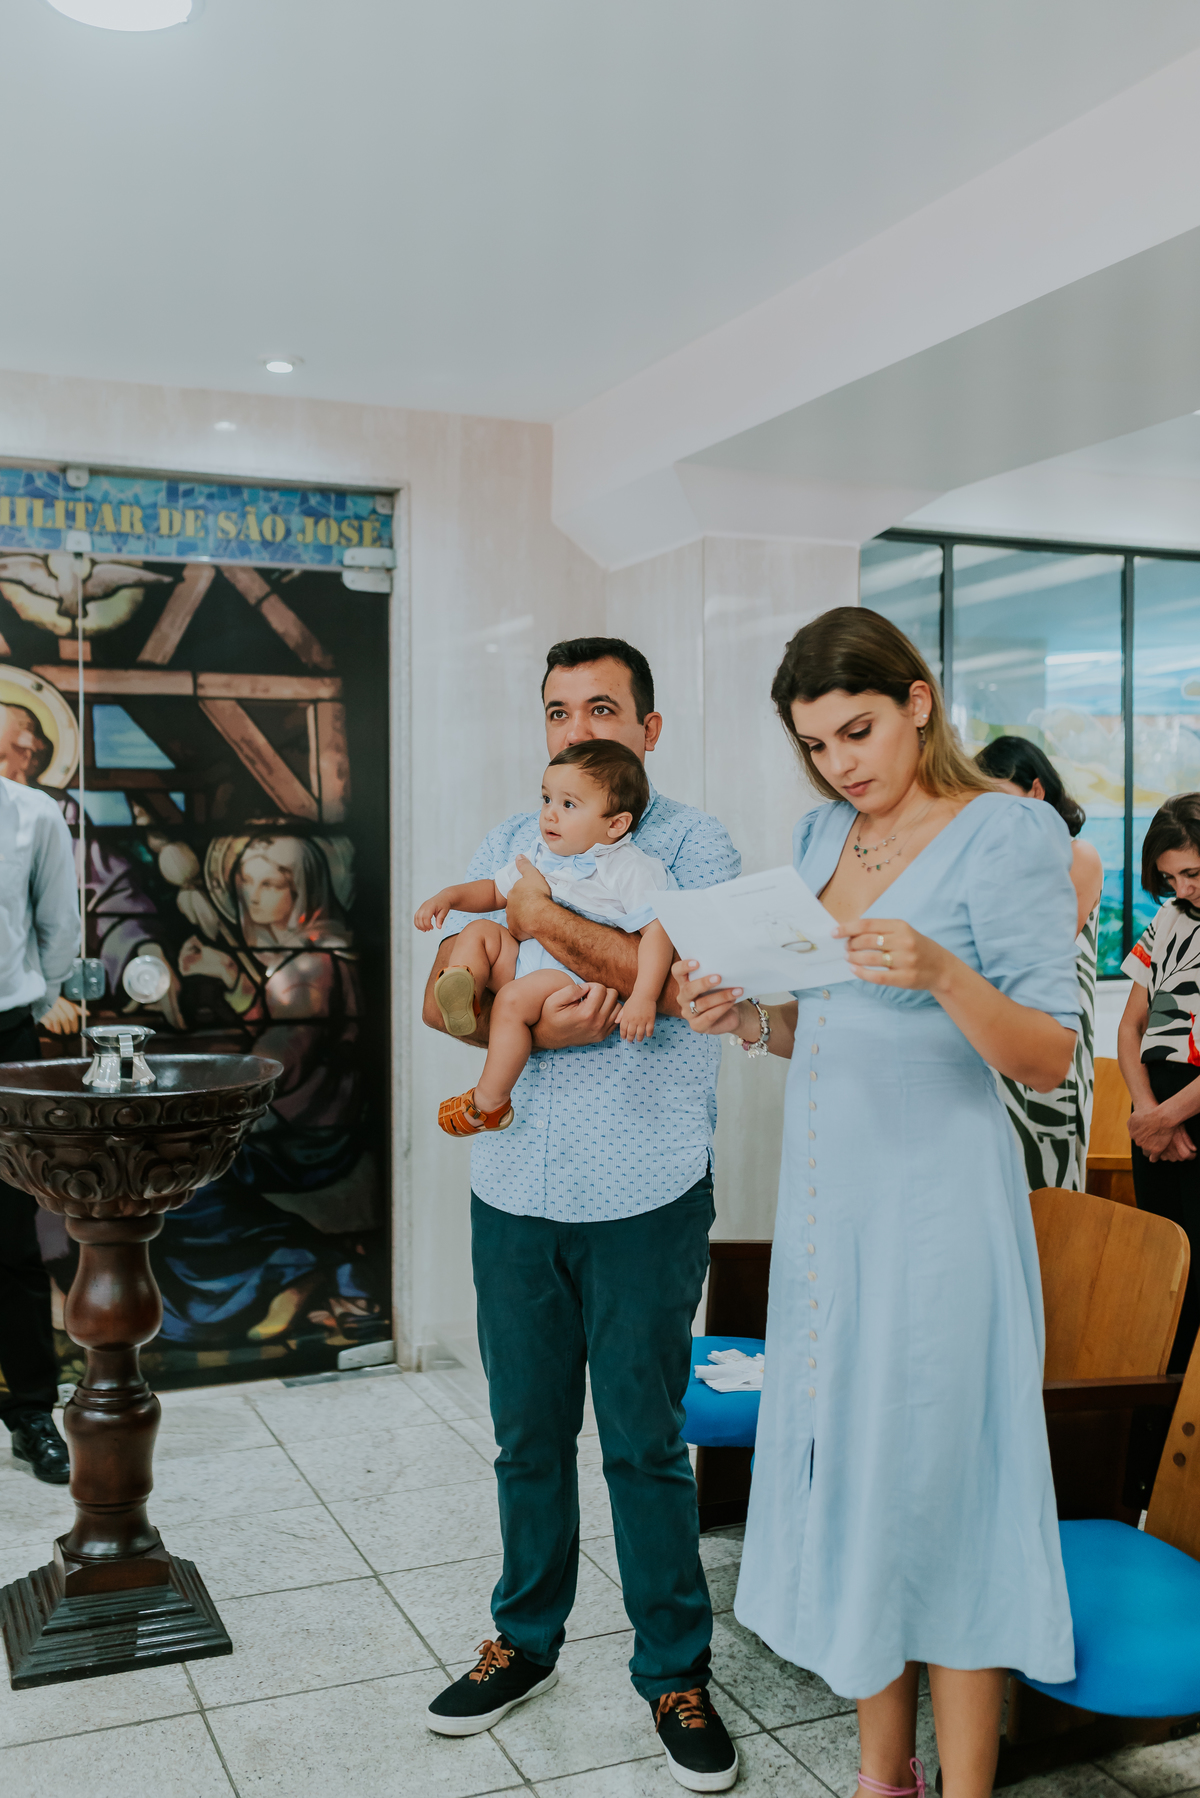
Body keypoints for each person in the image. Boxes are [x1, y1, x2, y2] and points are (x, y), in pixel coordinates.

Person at [675, 607, 1079, 1798]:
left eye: (856, 730)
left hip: (942, 1222)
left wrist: (944, 971)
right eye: (816, 743)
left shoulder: (1006, 833)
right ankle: (878, 1774)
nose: (840, 761)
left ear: (918, 700)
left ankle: (959, 1788)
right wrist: (746, 1016)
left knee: (942, 1496)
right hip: (827, 1226)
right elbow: (825, 1020)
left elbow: (1050, 1056)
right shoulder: (817, 835)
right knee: (858, 1487)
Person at [421, 637, 742, 1794]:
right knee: (524, 1436)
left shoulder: (695, 844)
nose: (572, 729)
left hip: (645, 1186)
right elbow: (450, 1000)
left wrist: (542, 929)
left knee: (646, 1445)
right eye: (556, 710)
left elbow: (683, 985)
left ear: (648, 728)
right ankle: (526, 1639)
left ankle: (674, 1671)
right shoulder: (520, 833)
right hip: (511, 1189)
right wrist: (541, 992)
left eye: (599, 707)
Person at [416, 741, 675, 1135]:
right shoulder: (541, 854)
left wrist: (643, 996)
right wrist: (449, 897)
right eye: (546, 798)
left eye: (568, 804)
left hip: (568, 979)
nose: (549, 813)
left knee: (511, 1001)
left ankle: (490, 1102)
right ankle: (464, 988)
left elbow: (658, 932)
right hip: (524, 960)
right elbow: (493, 892)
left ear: (615, 825)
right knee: (481, 931)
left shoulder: (629, 869)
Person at [975, 736, 1104, 1191]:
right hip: (994, 1038)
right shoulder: (991, 865)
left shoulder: (1078, 855)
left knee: (1052, 1190)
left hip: (1052, 1038)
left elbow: (1039, 946)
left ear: (1034, 790)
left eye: (998, 800)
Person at [0, 772, 82, 1483]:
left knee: (10, 1234)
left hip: (5, 1034)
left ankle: (31, 1411)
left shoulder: (31, 815)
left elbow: (59, 922)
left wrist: (42, 990)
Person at [1118, 793, 1200, 1372]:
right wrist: (1149, 1113)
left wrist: (1167, 1118)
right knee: (1164, 1280)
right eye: (1169, 877)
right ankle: (1154, 1437)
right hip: (1153, 1118)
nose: (1182, 888)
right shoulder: (1167, 920)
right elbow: (1129, 1027)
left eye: (1193, 872)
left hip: (1181, 1115)